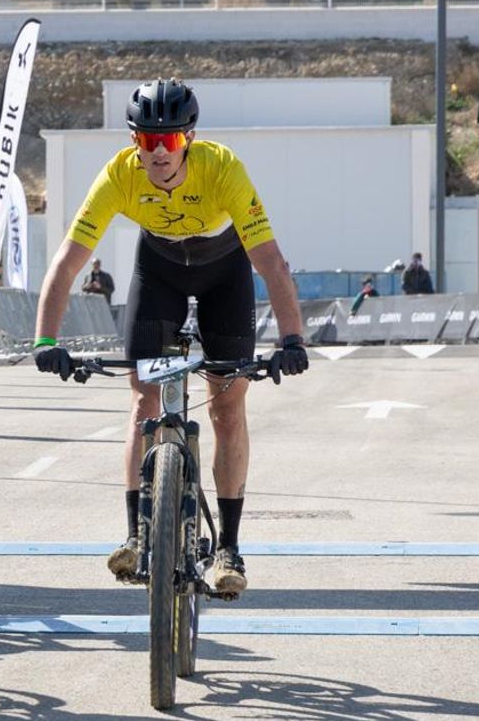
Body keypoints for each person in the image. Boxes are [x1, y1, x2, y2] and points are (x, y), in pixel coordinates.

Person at [29, 78, 308, 596]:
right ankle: (136, 533)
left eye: (171, 140)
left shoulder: (222, 167)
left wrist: (292, 339)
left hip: (224, 271)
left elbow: (268, 260)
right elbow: (70, 260)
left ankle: (228, 546)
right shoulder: (118, 175)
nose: (159, 152)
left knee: (227, 407)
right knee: (143, 403)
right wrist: (45, 341)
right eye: (148, 141)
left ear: (190, 138)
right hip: (158, 271)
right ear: (134, 141)